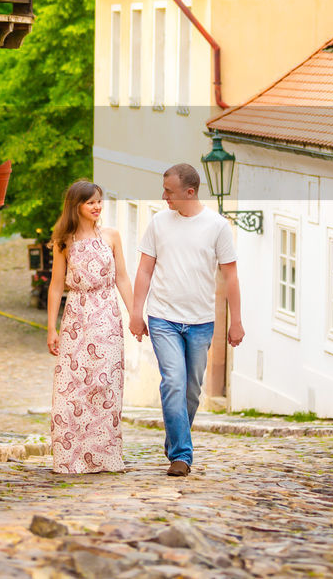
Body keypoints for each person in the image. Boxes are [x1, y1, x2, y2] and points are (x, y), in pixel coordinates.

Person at [130, 164, 243, 477]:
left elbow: (231, 275)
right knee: (174, 383)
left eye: (169, 191)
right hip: (163, 317)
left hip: (201, 322)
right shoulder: (158, 222)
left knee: (192, 390)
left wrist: (236, 321)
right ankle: (182, 455)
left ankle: (174, 437)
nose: (163, 196)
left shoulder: (217, 226)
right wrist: (137, 312)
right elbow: (144, 270)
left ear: (189, 192)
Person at [46, 180, 133, 474]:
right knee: (74, 387)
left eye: (99, 201)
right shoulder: (64, 241)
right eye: (90, 202)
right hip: (77, 317)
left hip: (107, 315)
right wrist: (51, 328)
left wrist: (135, 315)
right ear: (77, 206)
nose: (97, 207)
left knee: (104, 384)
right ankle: (73, 457)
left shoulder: (112, 236)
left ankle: (104, 456)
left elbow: (122, 278)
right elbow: (57, 285)